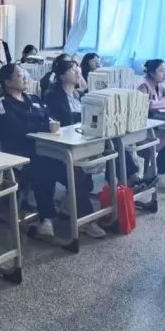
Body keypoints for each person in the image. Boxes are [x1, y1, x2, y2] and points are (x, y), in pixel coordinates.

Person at [0, 64, 101, 240]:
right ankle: (46, 219)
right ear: (8, 82)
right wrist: (44, 126)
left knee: (74, 169)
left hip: (45, 150)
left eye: (25, 74)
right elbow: (14, 128)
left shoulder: (33, 98)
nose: (25, 78)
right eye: (20, 75)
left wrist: (50, 124)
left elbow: (49, 117)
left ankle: (86, 219)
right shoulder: (1, 103)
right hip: (19, 156)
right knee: (44, 167)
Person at [43, 60, 105, 238]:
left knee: (112, 152)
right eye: (72, 70)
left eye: (78, 69)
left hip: (82, 142)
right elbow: (65, 122)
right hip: (62, 148)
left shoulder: (79, 95)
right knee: (77, 174)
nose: (78, 72)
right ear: (62, 75)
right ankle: (86, 221)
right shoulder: (53, 96)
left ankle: (129, 185)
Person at [139, 59, 165, 184]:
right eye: (161, 71)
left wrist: (158, 103)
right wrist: (164, 103)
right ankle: (158, 172)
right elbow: (147, 105)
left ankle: (161, 170)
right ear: (152, 73)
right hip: (143, 129)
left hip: (155, 126)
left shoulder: (159, 85)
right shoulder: (143, 86)